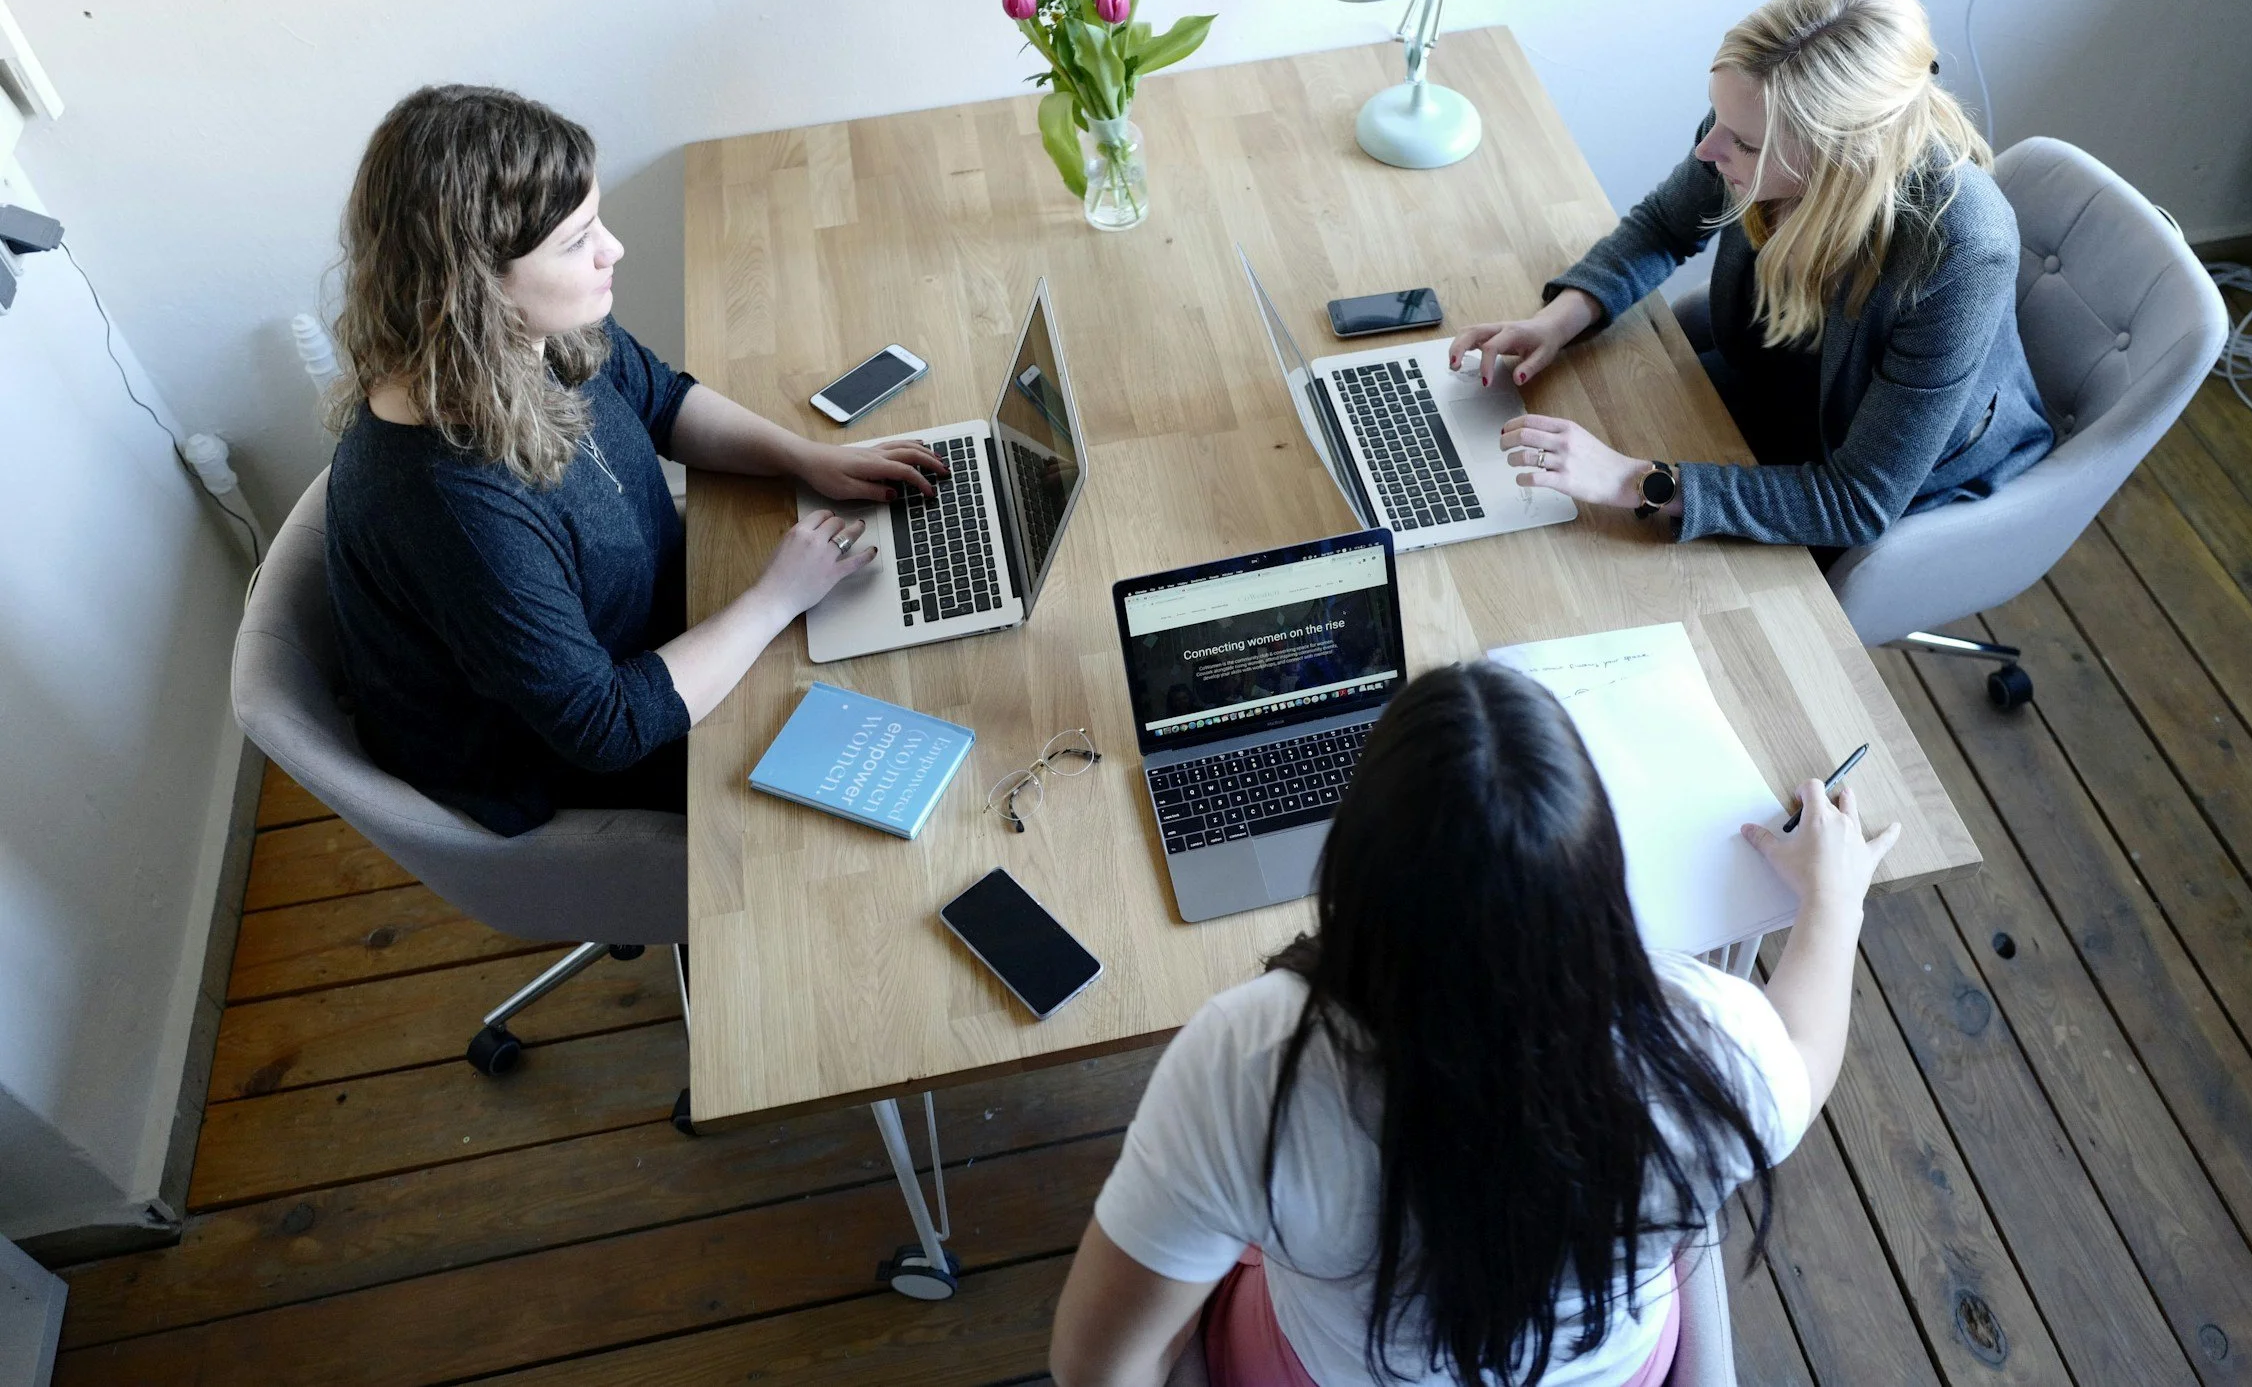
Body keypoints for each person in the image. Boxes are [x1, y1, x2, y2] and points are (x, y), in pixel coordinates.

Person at [1049, 661, 1899, 1387]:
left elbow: (1095, 1365)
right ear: (1599, 875)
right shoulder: (1705, 1041)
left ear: (1355, 869)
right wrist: (1835, 897)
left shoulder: (1250, 1061)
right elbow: (1806, 1055)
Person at [324, 84, 945, 834]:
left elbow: (660, 401)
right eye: (575, 240)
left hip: (667, 620)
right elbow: (603, 727)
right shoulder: (454, 508)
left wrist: (805, 458)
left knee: (909, 635)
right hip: (574, 755)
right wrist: (777, 598)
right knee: (909, 731)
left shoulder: (521, 338)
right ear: (473, 287)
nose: (611, 250)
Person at [1453, 0, 2053, 555]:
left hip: (1874, 464)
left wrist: (1629, 479)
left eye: (1742, 143)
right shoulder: (1749, 122)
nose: (1707, 150)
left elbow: (1857, 499)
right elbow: (1665, 225)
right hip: (1776, 375)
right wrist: (1556, 321)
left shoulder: (1960, 252)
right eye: (1718, 119)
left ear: (1844, 154)